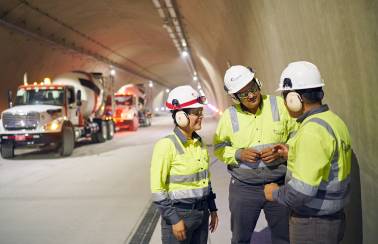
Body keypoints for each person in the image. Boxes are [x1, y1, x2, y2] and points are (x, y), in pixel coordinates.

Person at [264, 61, 352, 244]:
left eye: (285, 97)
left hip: (313, 224)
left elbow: (301, 193)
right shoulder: (333, 121)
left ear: (294, 99)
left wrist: (274, 192)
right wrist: (293, 153)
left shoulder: (311, 131)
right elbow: (326, 161)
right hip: (333, 218)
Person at [214, 65, 297, 244]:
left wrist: (283, 151)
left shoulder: (279, 106)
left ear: (257, 83)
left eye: (252, 88)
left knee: (284, 237)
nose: (251, 95)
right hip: (244, 189)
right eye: (243, 94)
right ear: (235, 97)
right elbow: (219, 147)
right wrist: (238, 154)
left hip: (278, 184)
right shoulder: (229, 117)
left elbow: (297, 136)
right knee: (240, 238)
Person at [150, 85, 219, 244]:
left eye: (201, 112)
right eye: (196, 113)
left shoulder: (198, 143)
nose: (201, 116)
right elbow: (157, 190)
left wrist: (212, 208)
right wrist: (174, 219)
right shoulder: (166, 145)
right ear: (180, 116)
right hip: (179, 216)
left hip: (202, 214)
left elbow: (205, 180)